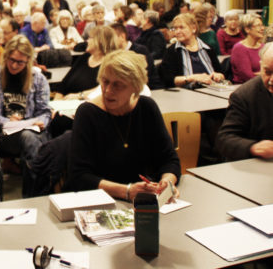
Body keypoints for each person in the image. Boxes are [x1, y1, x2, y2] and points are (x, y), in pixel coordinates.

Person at [68, 50, 181, 201]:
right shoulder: (87, 113)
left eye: (118, 85)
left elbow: (169, 159)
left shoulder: (147, 107)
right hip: (100, 201)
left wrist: (167, 183)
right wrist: (126, 191)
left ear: (135, 87)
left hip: (143, 200)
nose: (108, 90)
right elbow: (78, 176)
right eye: (105, 81)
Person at [0, 35, 51, 195]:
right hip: (5, 134)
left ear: (28, 60)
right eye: (11, 60)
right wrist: (8, 121)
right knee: (27, 138)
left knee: (29, 137)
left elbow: (45, 111)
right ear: (5, 57)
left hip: (32, 132)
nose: (14, 65)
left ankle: (32, 196)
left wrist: (37, 122)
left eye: (20, 62)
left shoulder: (38, 79)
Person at [216, 42, 273, 161]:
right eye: (267, 72)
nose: (271, 80)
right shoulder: (245, 96)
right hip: (258, 166)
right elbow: (225, 139)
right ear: (260, 66)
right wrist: (253, 147)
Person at [160, 13, 224, 88]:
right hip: (187, 94)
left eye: (181, 27)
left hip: (212, 89)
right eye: (175, 28)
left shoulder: (208, 49)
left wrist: (219, 76)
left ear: (193, 28)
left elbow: (220, 73)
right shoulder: (172, 51)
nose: (177, 32)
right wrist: (192, 78)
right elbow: (168, 80)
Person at [53, 26, 118, 100]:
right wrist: (56, 103)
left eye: (90, 38)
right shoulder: (84, 57)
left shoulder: (110, 64)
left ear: (100, 41)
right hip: (65, 105)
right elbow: (64, 84)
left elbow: (101, 89)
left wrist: (79, 96)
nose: (87, 41)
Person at [230, 13, 264, 84]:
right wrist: (265, 74)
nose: (262, 28)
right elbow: (248, 76)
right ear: (247, 29)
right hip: (245, 88)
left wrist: (259, 73)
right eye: (258, 26)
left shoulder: (263, 47)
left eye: (262, 25)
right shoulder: (239, 49)